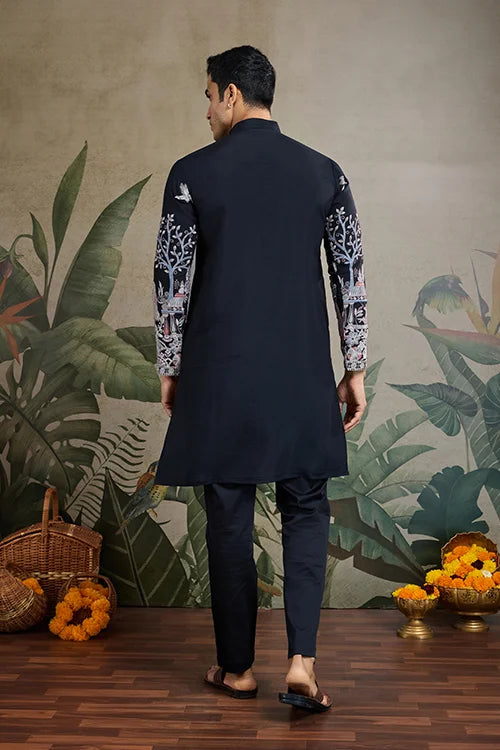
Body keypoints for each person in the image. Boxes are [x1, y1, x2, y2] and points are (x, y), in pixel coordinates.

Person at [152, 45, 367, 712]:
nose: (206, 110)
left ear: (230, 95)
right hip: (302, 373)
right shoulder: (325, 172)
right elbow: (350, 276)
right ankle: (302, 663)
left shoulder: (191, 174)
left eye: (208, 96)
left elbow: (170, 283)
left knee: (228, 514)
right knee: (306, 508)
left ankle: (238, 668)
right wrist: (354, 366)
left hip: (220, 374)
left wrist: (170, 368)